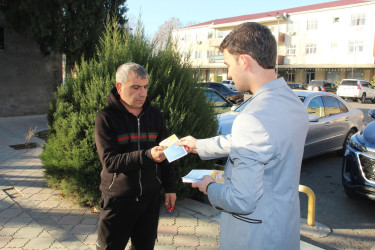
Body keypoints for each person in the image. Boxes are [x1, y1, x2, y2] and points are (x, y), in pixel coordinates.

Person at [179, 22, 309, 249]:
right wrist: (198, 145)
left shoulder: (253, 116)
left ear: (244, 61)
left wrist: (209, 186)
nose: (228, 73)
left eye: (228, 64)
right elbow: (259, 142)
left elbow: (241, 199)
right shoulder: (292, 103)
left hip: (254, 238)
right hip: (284, 229)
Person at [94, 62, 177, 250]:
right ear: (119, 87)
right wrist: (147, 155)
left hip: (150, 199)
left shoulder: (155, 115)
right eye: (136, 87)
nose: (143, 93)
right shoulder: (105, 118)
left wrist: (170, 188)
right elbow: (109, 162)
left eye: (146, 87)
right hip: (118, 200)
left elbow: (167, 153)